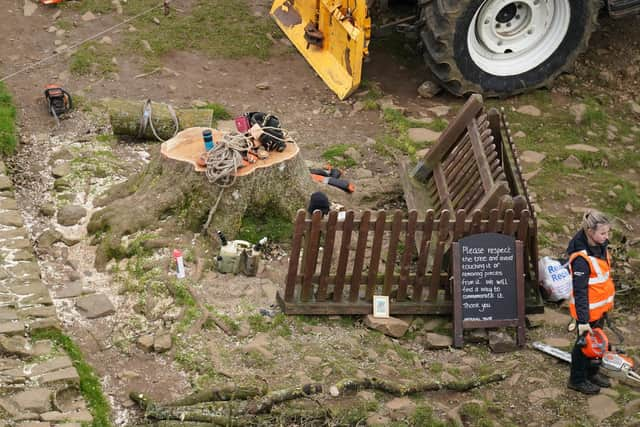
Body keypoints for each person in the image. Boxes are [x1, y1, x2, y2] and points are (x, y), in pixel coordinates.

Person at [566, 211, 615, 395]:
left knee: (598, 343)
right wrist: (583, 321)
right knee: (583, 346)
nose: (606, 237)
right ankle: (577, 379)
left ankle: (592, 373)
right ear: (589, 231)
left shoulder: (600, 244)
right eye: (603, 233)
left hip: (599, 307)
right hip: (586, 311)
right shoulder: (581, 258)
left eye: (607, 232)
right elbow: (580, 292)